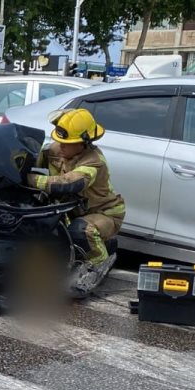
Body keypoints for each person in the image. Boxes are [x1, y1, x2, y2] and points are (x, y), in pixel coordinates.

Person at [31, 107, 126, 294]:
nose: (61, 145)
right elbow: (30, 158)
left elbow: (68, 184)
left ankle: (97, 265)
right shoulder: (57, 150)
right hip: (74, 210)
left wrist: (31, 180)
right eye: (59, 140)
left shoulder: (93, 161)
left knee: (81, 230)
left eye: (67, 142)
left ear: (84, 143)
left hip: (103, 213)